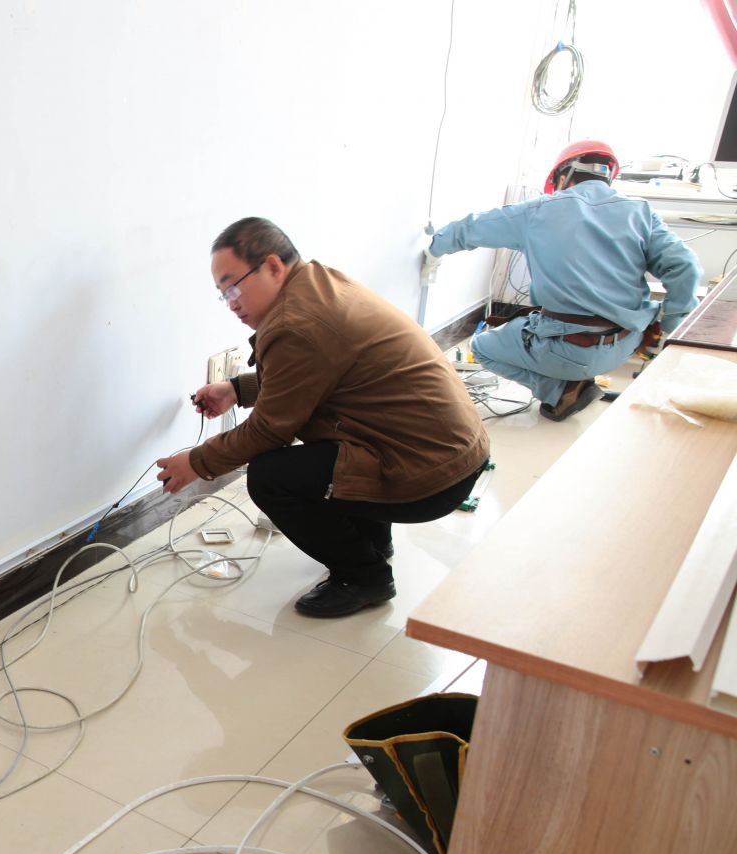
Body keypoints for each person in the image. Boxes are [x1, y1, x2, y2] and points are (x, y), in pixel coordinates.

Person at [155, 218, 489, 618]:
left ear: (273, 266)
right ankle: (371, 546)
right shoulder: (319, 284)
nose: (231, 302)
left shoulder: (296, 323)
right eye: (223, 294)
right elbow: (314, 376)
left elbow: (269, 430)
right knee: (327, 451)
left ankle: (363, 577)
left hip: (430, 476)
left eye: (233, 287)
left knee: (272, 478)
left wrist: (196, 462)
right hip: (449, 453)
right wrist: (236, 390)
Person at [427, 139, 703, 421]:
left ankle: (559, 391)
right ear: (608, 176)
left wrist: (433, 251)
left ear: (563, 176)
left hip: (568, 349)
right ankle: (575, 381)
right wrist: (668, 325)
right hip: (626, 346)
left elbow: (470, 228)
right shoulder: (641, 212)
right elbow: (686, 266)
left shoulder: (538, 210)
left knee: (482, 347)